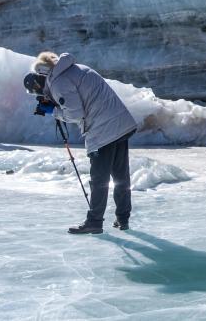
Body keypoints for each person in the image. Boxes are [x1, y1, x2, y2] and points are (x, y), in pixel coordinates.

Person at [31, 52, 138, 235]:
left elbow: (75, 114)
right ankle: (123, 218)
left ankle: (94, 222)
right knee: (121, 176)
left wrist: (54, 111)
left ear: (43, 75)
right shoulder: (78, 69)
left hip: (103, 131)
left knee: (99, 179)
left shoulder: (58, 81)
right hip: (121, 123)